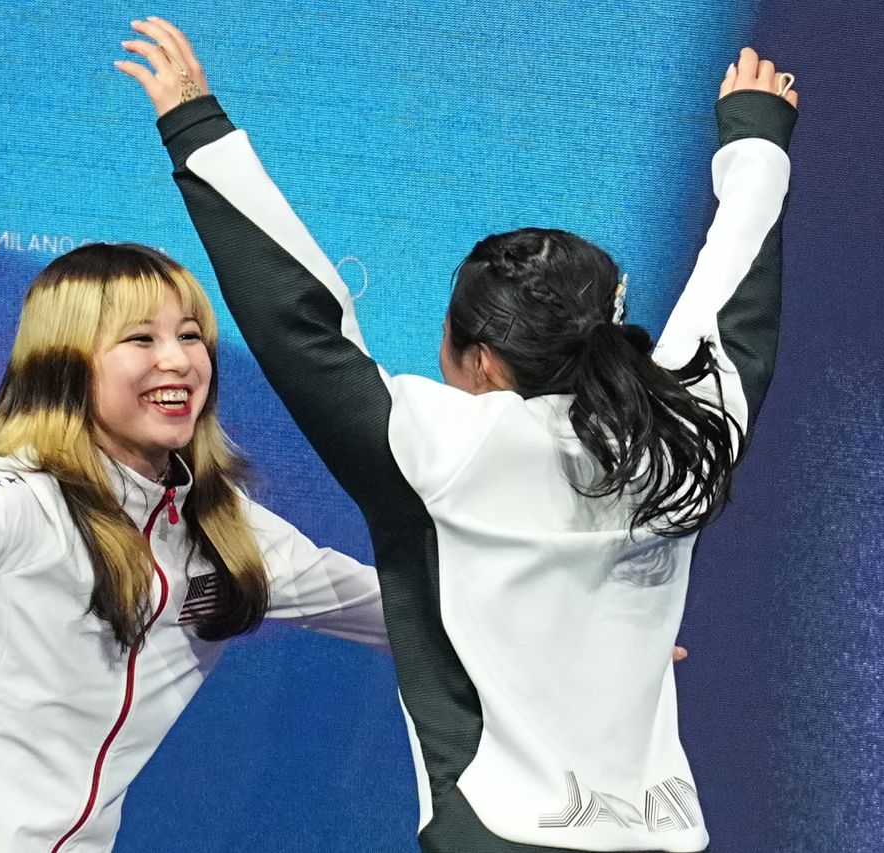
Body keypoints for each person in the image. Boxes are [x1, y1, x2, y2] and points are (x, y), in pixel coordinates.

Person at [120, 20, 797, 853]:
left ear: (481, 359)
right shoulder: (686, 437)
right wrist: (757, 145)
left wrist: (196, 124)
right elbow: (731, 306)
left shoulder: (449, 450)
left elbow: (299, 320)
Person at [0, 242, 389, 852]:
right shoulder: (22, 497)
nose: (178, 360)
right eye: (141, 338)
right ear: (67, 361)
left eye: (190, 335)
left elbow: (390, 608)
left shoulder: (223, 523)